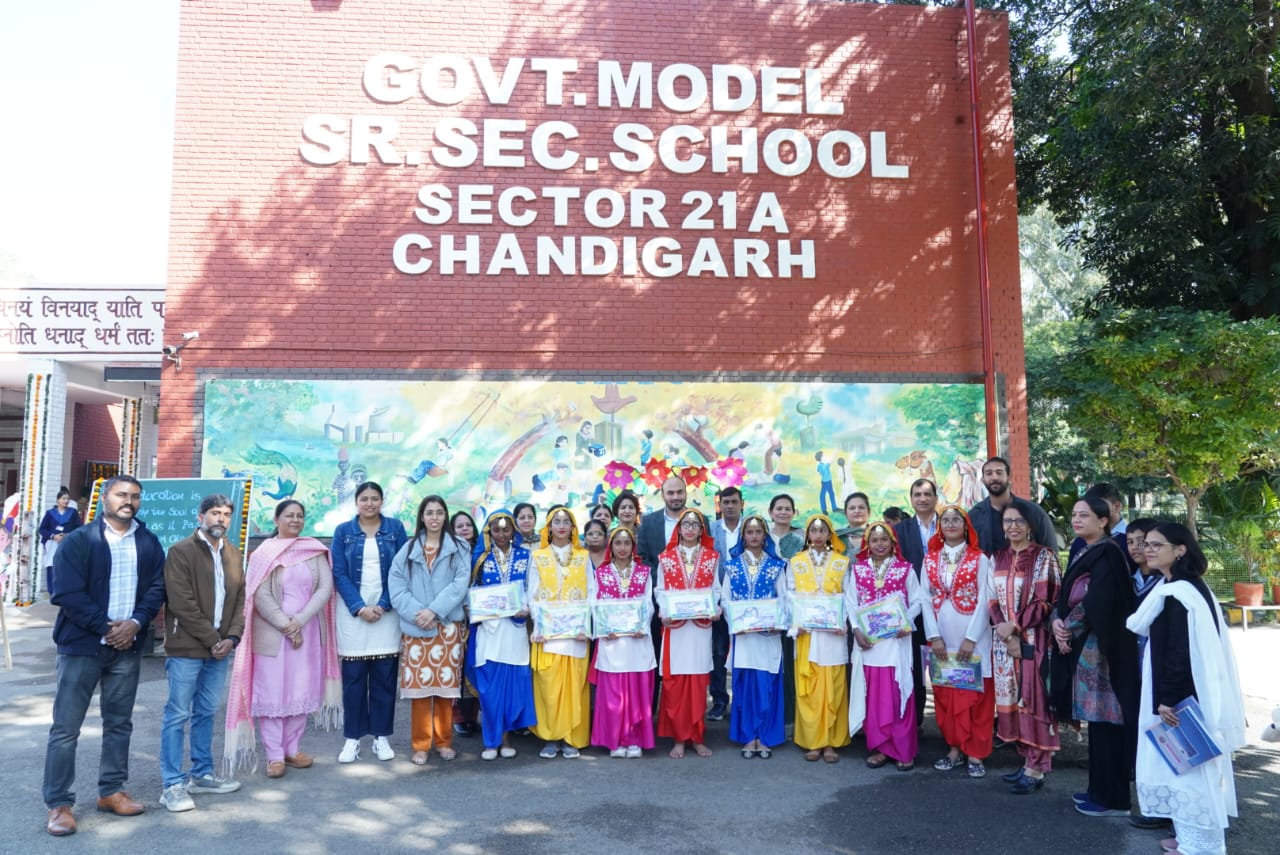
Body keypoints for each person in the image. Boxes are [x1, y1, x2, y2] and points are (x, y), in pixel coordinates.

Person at [42, 476, 166, 837]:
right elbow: (66, 592)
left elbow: (158, 586)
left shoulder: (147, 541)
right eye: (121, 494)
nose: (129, 501)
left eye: (135, 496)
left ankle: (111, 791)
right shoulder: (80, 540)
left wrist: (136, 623)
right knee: (66, 729)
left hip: (127, 648)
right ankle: (59, 803)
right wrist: (107, 628)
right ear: (104, 498)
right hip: (82, 647)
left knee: (119, 724)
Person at [1127, 523, 1246, 855]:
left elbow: (1179, 652)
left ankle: (1201, 846)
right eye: (1145, 544)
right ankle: (1187, 838)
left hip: (1181, 698)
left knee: (1191, 771)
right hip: (1183, 693)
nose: (1147, 550)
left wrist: (1168, 698)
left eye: (1156, 545)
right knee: (1177, 766)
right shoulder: (1176, 587)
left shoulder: (1178, 594)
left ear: (1180, 550)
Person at [224, 500, 340, 780]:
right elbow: (259, 593)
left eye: (300, 516)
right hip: (272, 633)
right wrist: (286, 625)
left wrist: (300, 620)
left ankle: (292, 749)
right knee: (272, 692)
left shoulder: (313, 550)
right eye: (289, 515)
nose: (295, 520)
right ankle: (274, 755)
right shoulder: (264, 553)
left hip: (308, 632)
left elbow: (325, 588)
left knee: (301, 690)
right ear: (276, 520)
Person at [1049, 497, 1139, 817]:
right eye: (1074, 515)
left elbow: (1096, 601)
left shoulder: (1109, 553)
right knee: (1096, 723)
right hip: (1085, 645)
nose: (1076, 520)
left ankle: (1112, 798)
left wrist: (1066, 628)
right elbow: (1067, 595)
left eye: (1084, 515)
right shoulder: (1085, 548)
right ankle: (1097, 789)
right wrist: (1057, 621)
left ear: (1103, 520)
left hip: (1102, 650)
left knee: (1107, 721)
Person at [158, 494, 246, 813]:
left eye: (226, 514)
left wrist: (232, 637)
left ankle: (202, 775)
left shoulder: (234, 554)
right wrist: (213, 639)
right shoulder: (180, 551)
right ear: (200, 517)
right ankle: (172, 785)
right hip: (188, 647)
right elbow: (181, 603)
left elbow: (239, 600)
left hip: (220, 649)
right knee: (178, 714)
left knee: (206, 712)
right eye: (214, 513)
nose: (221, 519)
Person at [389, 495, 472, 765]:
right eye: (429, 513)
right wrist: (420, 613)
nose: (434, 517)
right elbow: (397, 587)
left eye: (439, 512)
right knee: (421, 690)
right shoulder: (408, 549)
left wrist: (434, 611)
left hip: (447, 626)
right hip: (417, 628)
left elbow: (460, 584)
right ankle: (421, 745)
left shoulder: (459, 547)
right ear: (422, 517)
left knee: (446, 689)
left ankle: (444, 741)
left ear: (445, 516)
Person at [330, 482, 408, 764]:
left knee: (384, 678)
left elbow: (402, 570)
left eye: (375, 498)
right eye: (364, 499)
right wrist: (360, 607)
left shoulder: (395, 529)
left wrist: (384, 604)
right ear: (357, 502)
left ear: (382, 501)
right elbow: (339, 573)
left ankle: (381, 737)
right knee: (353, 679)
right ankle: (352, 739)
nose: (370, 503)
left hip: (387, 612)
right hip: (353, 613)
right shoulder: (343, 532)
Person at [988, 500, 1061, 794]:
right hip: (1005, 643)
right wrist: (1006, 634)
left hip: (1035, 641)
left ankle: (1037, 768)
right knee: (1013, 700)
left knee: (1034, 700)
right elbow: (992, 600)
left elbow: (1047, 600)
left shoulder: (1044, 557)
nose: (1013, 526)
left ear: (1030, 525)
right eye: (1008, 521)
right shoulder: (998, 557)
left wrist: (1015, 627)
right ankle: (1026, 760)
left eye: (1019, 521)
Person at [921, 505, 995, 778]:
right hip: (942, 638)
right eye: (946, 520)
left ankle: (975, 753)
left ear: (966, 526)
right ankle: (954, 749)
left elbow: (986, 599)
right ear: (940, 527)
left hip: (974, 640)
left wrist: (971, 638)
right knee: (947, 693)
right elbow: (924, 599)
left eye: (956, 520)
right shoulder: (930, 559)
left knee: (977, 696)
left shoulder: (980, 558)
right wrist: (934, 636)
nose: (951, 524)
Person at [846, 522, 920, 772]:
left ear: (892, 543)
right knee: (874, 696)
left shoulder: (905, 569)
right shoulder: (858, 570)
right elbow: (850, 602)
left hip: (896, 642)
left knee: (897, 693)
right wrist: (856, 629)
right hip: (869, 645)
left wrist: (906, 622)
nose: (879, 544)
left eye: (884, 540)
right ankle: (880, 747)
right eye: (874, 540)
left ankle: (902, 749)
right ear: (867, 543)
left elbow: (918, 600)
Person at [466, 511, 536, 760]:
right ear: (489, 532)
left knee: (511, 690)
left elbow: (532, 588)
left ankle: (505, 739)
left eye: (507, 529)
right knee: (490, 690)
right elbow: (471, 590)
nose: (502, 534)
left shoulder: (525, 556)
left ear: (513, 531)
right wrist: (473, 609)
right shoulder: (480, 558)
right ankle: (490, 742)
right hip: (489, 631)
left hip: (515, 632)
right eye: (497, 529)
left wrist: (526, 608)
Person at [528, 506, 594, 758]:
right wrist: (539, 625)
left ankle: (570, 738)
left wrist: (585, 626)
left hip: (576, 634)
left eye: (567, 521)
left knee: (575, 686)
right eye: (557, 521)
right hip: (548, 634)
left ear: (573, 527)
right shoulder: (538, 556)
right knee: (549, 685)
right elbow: (532, 594)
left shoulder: (583, 556)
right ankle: (550, 737)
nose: (562, 525)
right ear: (549, 527)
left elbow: (592, 592)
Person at [655, 508, 720, 758]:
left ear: (702, 530)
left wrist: (715, 608)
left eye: (695, 525)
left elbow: (716, 589)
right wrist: (664, 611)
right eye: (686, 524)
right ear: (679, 529)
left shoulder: (712, 557)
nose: (690, 528)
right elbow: (660, 590)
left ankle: (697, 736)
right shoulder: (666, 558)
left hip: (700, 629)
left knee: (698, 684)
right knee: (675, 685)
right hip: (676, 630)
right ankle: (679, 739)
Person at [786, 514, 851, 763]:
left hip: (833, 635)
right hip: (807, 634)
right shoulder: (797, 562)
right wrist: (796, 624)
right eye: (813, 530)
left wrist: (842, 621)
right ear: (807, 535)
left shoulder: (841, 562)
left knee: (834, 686)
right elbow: (789, 596)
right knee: (810, 688)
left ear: (830, 533)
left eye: (823, 530)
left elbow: (848, 596)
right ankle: (813, 742)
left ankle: (831, 743)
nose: (818, 535)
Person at [721, 515, 787, 758]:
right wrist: (735, 621)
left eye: (758, 531)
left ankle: (766, 736)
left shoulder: (776, 566)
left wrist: (779, 622)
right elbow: (725, 600)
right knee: (746, 687)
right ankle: (749, 737)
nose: (754, 536)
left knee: (768, 685)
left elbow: (784, 599)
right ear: (743, 536)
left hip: (768, 637)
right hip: (744, 638)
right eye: (749, 532)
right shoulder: (732, 566)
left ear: (765, 535)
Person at [590, 526, 656, 758]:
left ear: (633, 546)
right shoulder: (601, 573)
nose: (622, 548)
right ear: (611, 545)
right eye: (617, 543)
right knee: (614, 693)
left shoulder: (644, 572)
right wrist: (603, 627)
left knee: (637, 691)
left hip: (637, 640)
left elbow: (648, 604)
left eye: (627, 543)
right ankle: (615, 740)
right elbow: (595, 604)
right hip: (612, 641)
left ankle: (634, 738)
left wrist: (642, 625)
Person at [894, 478, 939, 725]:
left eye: (927, 494)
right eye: (917, 494)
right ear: (911, 499)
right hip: (914, 610)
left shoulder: (949, 524)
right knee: (914, 667)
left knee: (948, 662)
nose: (922, 499)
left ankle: (949, 725)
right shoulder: (901, 531)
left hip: (946, 607)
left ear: (935, 498)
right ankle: (916, 721)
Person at [967, 456, 1058, 553]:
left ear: (1009, 476)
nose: (994, 477)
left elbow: (1050, 551)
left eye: (999, 472)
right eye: (989, 473)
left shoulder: (1033, 512)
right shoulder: (974, 516)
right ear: (983, 479)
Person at [707, 486, 744, 721]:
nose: (729, 506)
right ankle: (719, 701)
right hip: (717, 602)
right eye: (725, 502)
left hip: (746, 603)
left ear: (742, 504)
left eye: (734, 502)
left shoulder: (751, 528)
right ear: (719, 505)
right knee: (718, 653)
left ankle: (742, 701)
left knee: (744, 652)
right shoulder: (710, 530)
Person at [448, 509, 482, 736]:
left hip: (480, 618)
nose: (464, 529)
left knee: (476, 665)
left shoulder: (483, 553)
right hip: (457, 617)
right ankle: (459, 717)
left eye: (468, 524)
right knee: (457, 667)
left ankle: (473, 716)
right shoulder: (449, 554)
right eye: (459, 526)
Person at [637, 476, 687, 570]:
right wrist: (659, 577)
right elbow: (642, 557)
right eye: (670, 493)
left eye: (680, 492)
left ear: (685, 493)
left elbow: (706, 554)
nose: (675, 497)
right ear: (662, 496)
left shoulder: (700, 520)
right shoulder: (648, 522)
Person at [39, 486, 81, 595]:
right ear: (58, 500)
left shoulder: (73, 513)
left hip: (67, 542)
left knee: (66, 566)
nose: (66, 501)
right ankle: (52, 591)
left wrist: (67, 535)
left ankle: (65, 591)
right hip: (52, 543)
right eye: (63, 499)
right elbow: (42, 529)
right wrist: (53, 536)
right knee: (52, 565)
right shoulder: (50, 513)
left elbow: (79, 528)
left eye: (68, 499)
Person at [767, 494, 804, 559]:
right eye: (779, 509)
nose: (783, 512)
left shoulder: (803, 536)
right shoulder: (765, 536)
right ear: (770, 512)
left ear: (793, 513)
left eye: (788, 509)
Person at [815, 451, 836, 516]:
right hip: (825, 482)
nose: (825, 456)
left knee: (831, 494)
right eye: (823, 455)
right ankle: (824, 510)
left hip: (828, 481)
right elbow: (831, 461)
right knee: (823, 495)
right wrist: (834, 453)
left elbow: (819, 472)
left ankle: (834, 508)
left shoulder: (821, 465)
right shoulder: (823, 465)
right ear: (821, 457)